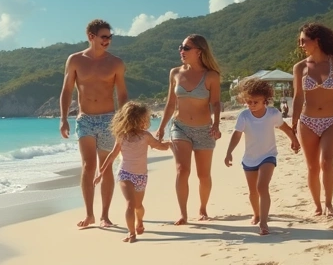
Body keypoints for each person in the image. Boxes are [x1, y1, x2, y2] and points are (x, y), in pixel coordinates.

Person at [60, 19, 129, 228]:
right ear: (91, 36)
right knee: (88, 166)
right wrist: (63, 118)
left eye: (109, 37)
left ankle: (105, 215)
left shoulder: (115, 63)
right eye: (103, 37)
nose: (107, 40)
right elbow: (66, 90)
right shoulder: (75, 60)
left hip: (109, 119)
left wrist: (124, 120)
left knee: (105, 167)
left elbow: (122, 94)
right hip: (85, 119)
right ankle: (89, 214)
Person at [154, 34, 222, 224]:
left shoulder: (211, 76)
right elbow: (170, 103)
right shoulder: (175, 73)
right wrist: (161, 127)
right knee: (182, 170)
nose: (181, 51)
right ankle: (183, 214)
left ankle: (202, 209)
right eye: (181, 47)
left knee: (203, 175)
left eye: (186, 48)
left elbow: (216, 103)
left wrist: (216, 124)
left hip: (204, 129)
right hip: (180, 127)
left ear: (199, 51)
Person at [291, 22, 333, 217]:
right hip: (307, 122)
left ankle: (328, 203)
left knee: (326, 162)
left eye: (303, 41)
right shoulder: (300, 68)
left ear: (317, 40)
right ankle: (317, 206)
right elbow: (298, 97)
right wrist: (293, 125)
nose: (301, 45)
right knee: (312, 167)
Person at [223, 78, 300, 235]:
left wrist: (294, 140)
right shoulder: (244, 116)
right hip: (249, 159)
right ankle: (256, 214)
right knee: (253, 191)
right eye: (249, 102)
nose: (252, 105)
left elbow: (284, 127)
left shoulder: (273, 114)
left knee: (261, 187)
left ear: (265, 99)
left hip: (268, 156)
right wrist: (229, 152)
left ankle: (264, 222)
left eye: (255, 102)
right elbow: (237, 134)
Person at [94, 101, 170, 242]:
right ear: (134, 119)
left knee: (138, 206)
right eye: (143, 119)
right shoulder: (122, 136)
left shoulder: (145, 136)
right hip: (125, 173)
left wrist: (169, 144)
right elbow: (112, 155)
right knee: (130, 203)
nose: (144, 121)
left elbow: (160, 146)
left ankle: (139, 221)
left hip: (141, 176)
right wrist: (100, 173)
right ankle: (131, 233)